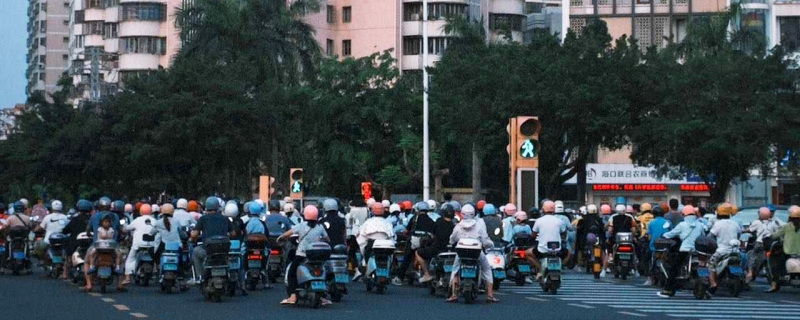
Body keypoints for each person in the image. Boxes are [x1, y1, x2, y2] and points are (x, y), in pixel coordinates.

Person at [277, 205, 330, 306]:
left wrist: (281, 238)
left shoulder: (301, 226)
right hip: (317, 256)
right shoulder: (320, 227)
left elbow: (288, 234)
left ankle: (293, 296)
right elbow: (327, 240)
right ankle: (323, 297)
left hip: (302, 255)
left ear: (305, 215)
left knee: (292, 272)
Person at [446, 204, 498, 303]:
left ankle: (454, 294)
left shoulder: (458, 225)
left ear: (462, 213)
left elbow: (452, 239)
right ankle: (490, 295)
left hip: (461, 253)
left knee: (455, 269)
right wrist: (490, 245)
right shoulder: (479, 225)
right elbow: (485, 241)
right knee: (487, 269)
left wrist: (452, 242)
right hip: (476, 252)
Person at [657, 205, 707, 298]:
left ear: (684, 214)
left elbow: (671, 234)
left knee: (674, 269)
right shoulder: (700, 225)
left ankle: (668, 290)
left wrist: (663, 235)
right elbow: (703, 236)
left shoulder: (682, 225)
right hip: (697, 251)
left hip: (685, 250)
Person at [190, 198, 235, 285]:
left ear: (206, 207)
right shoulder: (225, 219)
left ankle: (200, 276)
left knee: (195, 252)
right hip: (223, 250)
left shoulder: (203, 219)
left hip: (208, 251)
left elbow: (194, 235)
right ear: (218, 207)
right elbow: (233, 233)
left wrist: (192, 235)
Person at [393, 201, 435, 286]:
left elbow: (407, 230)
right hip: (426, 243)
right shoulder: (431, 220)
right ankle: (427, 273)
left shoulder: (414, 218)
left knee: (407, 258)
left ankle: (400, 278)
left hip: (414, 241)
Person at [527, 201, 568, 280]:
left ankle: (540, 269)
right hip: (557, 249)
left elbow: (533, 235)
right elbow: (564, 233)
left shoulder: (539, 221)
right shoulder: (559, 221)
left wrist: (531, 239)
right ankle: (560, 266)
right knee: (568, 253)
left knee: (527, 253)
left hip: (542, 250)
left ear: (543, 209)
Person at [416, 204, 456, 283]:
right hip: (452, 250)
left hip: (437, 249)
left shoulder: (438, 222)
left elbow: (432, 235)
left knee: (418, 253)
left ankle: (427, 274)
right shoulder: (454, 224)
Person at [765, 205, 800, 293]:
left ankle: (774, 285)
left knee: (776, 266)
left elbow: (774, 235)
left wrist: (768, 237)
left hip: (788, 253)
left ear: (790, 217)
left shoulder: (786, 226)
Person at [708, 203, 741, 294]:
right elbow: (739, 235)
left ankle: (713, 283)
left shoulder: (718, 224)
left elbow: (710, 237)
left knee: (710, 265)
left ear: (718, 213)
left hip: (721, 251)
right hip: (735, 250)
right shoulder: (735, 223)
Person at [122, 204, 159, 286]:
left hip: (138, 245)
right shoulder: (155, 221)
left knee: (130, 259)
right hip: (151, 246)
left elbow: (127, 228)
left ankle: (127, 278)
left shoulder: (137, 220)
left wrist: (124, 226)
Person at [746, 206, 782, 287]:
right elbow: (780, 229)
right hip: (771, 244)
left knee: (752, 257)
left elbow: (750, 230)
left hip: (760, 244)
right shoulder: (774, 222)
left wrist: (742, 230)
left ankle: (750, 273)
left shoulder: (757, 222)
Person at [60, 200, 92, 279]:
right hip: (89, 242)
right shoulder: (91, 219)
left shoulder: (75, 219)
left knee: (68, 255)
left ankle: (65, 273)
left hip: (75, 243)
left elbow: (65, 230)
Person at [643, 206, 670, 286]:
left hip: (654, 247)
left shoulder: (651, 223)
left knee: (647, 259)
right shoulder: (667, 222)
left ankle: (649, 278)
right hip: (666, 246)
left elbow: (649, 237)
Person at [34, 200, 68, 264]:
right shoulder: (65, 217)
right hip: (63, 241)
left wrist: (35, 230)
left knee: (37, 247)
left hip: (48, 241)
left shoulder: (47, 217)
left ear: (52, 208)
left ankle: (43, 261)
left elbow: (40, 228)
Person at [576, 204, 605, 273]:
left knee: (579, 249)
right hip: (598, 238)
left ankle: (579, 265)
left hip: (585, 239)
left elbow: (579, 229)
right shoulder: (599, 219)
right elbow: (602, 229)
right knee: (602, 249)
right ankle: (605, 266)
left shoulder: (583, 219)